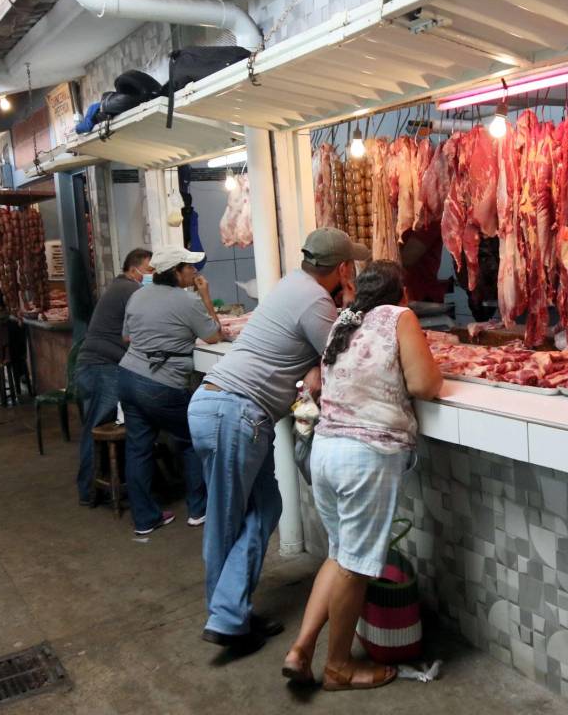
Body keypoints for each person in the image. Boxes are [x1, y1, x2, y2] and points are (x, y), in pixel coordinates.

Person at [188, 227, 369, 654]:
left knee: (264, 506)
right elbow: (348, 357)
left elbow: (315, 354)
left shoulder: (293, 284)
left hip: (220, 406)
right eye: (352, 265)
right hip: (236, 412)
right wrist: (351, 299)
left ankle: (230, 611)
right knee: (227, 518)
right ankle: (227, 617)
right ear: (342, 267)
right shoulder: (314, 300)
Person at [282, 261, 442, 691]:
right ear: (402, 293)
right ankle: (338, 668)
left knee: (339, 557)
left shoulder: (343, 322)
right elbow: (427, 385)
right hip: (365, 458)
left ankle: (300, 650)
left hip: (327, 452)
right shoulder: (399, 317)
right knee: (354, 567)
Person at [118, 244, 221, 536]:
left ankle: (145, 519)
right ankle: (199, 510)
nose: (194, 271)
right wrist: (205, 296)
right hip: (160, 384)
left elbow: (127, 336)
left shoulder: (137, 295)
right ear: (176, 272)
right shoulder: (186, 301)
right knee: (190, 439)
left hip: (127, 376)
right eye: (189, 267)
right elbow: (214, 335)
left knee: (138, 448)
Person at [75, 248, 153, 506]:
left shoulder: (120, 288)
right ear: (134, 270)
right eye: (149, 270)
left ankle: (97, 488)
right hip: (101, 369)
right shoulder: (129, 290)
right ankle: (88, 492)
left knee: (95, 427)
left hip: (97, 367)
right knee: (95, 428)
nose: (151, 275)